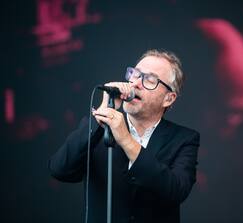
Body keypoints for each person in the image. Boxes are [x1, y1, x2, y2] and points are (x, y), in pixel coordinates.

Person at [48, 49, 200, 223]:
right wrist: (102, 113)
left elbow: (175, 191)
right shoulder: (99, 126)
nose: (135, 83)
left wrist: (126, 139)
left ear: (169, 98)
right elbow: (59, 170)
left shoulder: (184, 139)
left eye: (149, 79)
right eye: (135, 74)